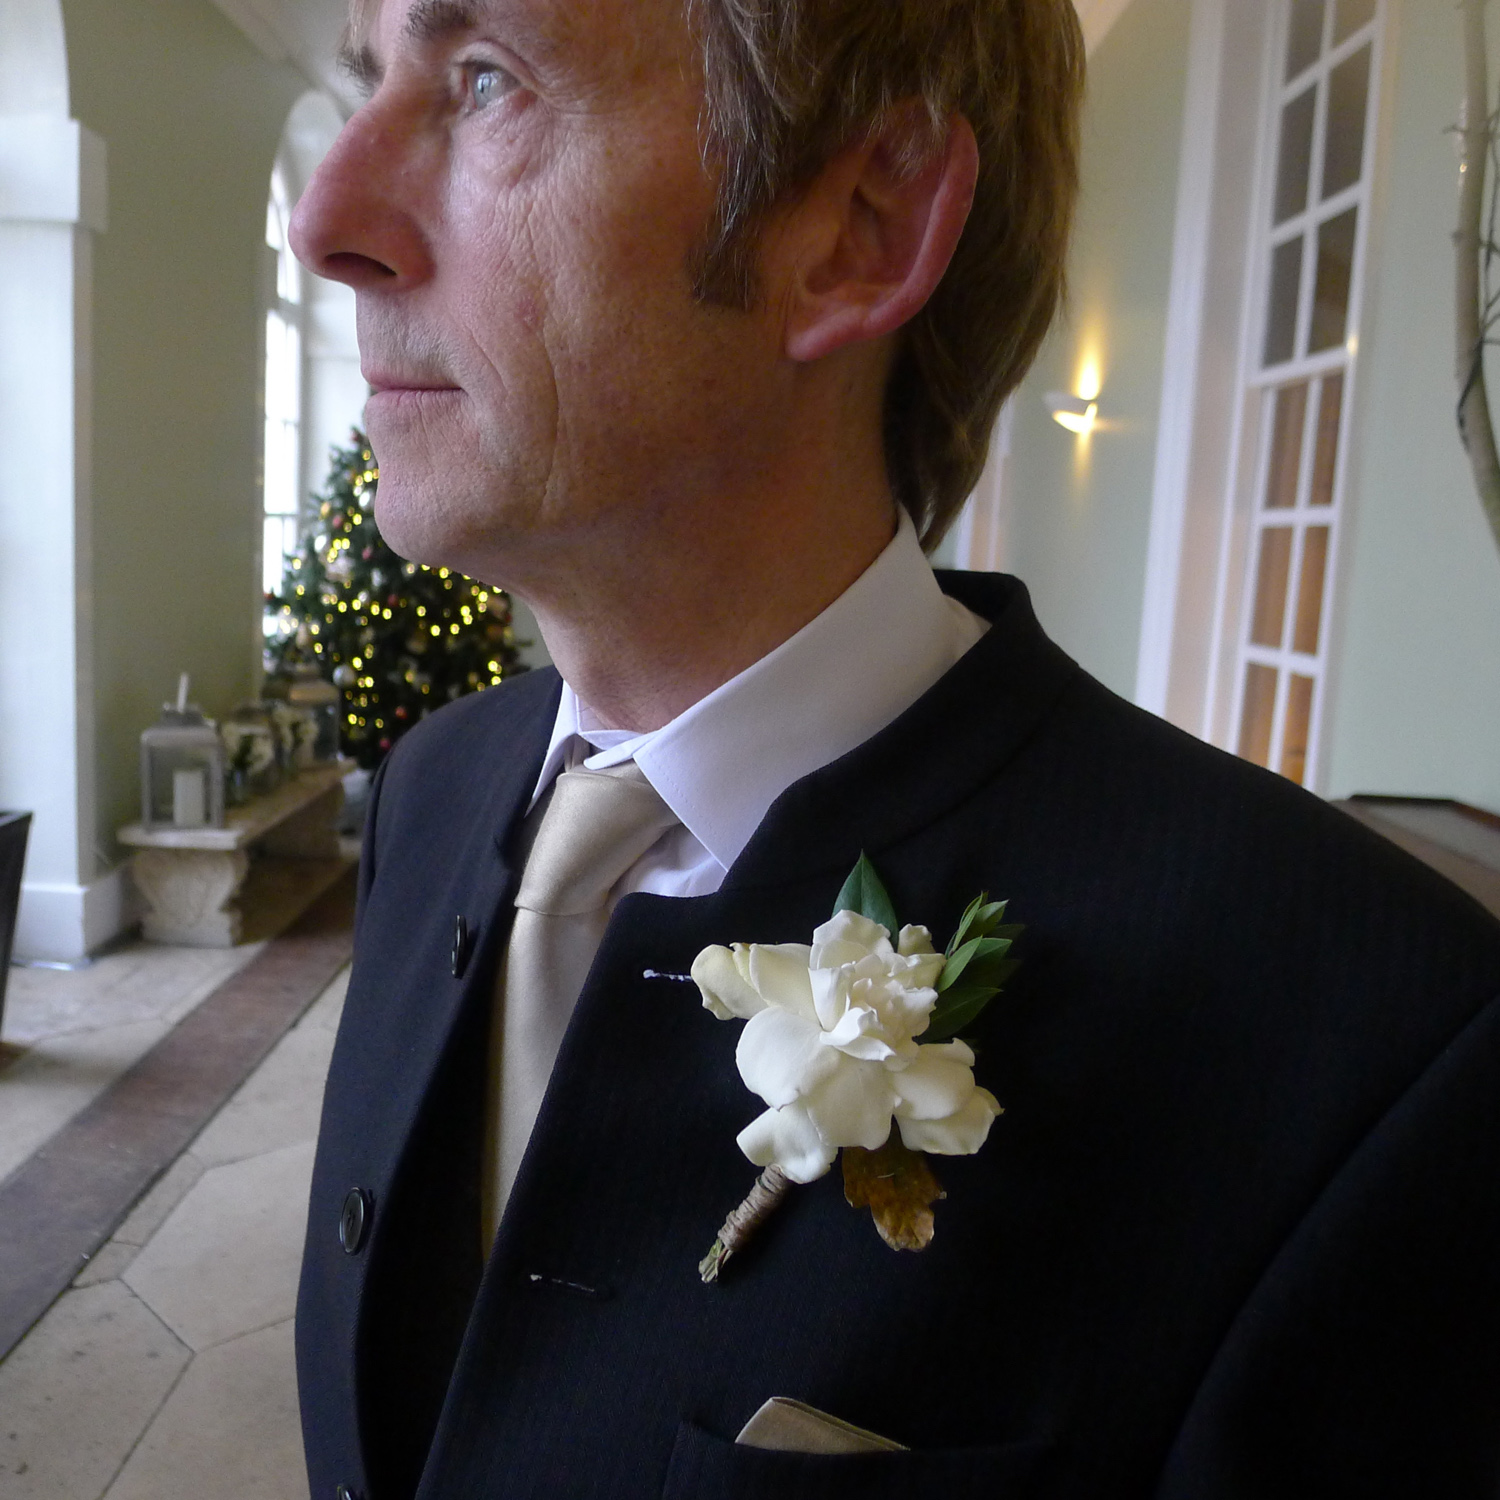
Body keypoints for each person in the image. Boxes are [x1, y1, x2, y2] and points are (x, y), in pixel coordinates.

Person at [289, 0, 1500, 1494]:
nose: (328, 221)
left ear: (862, 226)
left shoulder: (1379, 1051)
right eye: (371, 82)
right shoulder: (435, 787)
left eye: (487, 82)